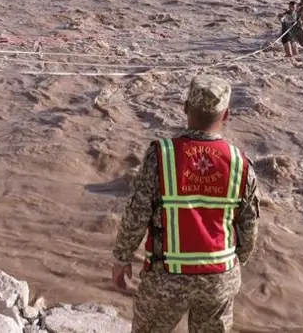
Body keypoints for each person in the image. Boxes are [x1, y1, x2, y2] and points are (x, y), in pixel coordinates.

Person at [111, 75, 261, 333]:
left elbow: (137, 213)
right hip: (219, 278)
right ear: (226, 115)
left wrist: (122, 257)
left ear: (185, 108)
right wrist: (236, 264)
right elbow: (249, 229)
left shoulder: (162, 155)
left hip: (165, 278)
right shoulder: (240, 163)